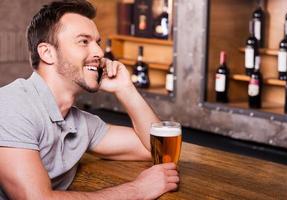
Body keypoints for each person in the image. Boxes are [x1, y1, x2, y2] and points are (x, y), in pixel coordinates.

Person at [0, 0, 179, 199]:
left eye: (97, 43)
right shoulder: (11, 105)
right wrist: (137, 190)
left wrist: (126, 89)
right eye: (84, 41)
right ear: (47, 53)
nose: (99, 53)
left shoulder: (80, 123)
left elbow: (159, 150)